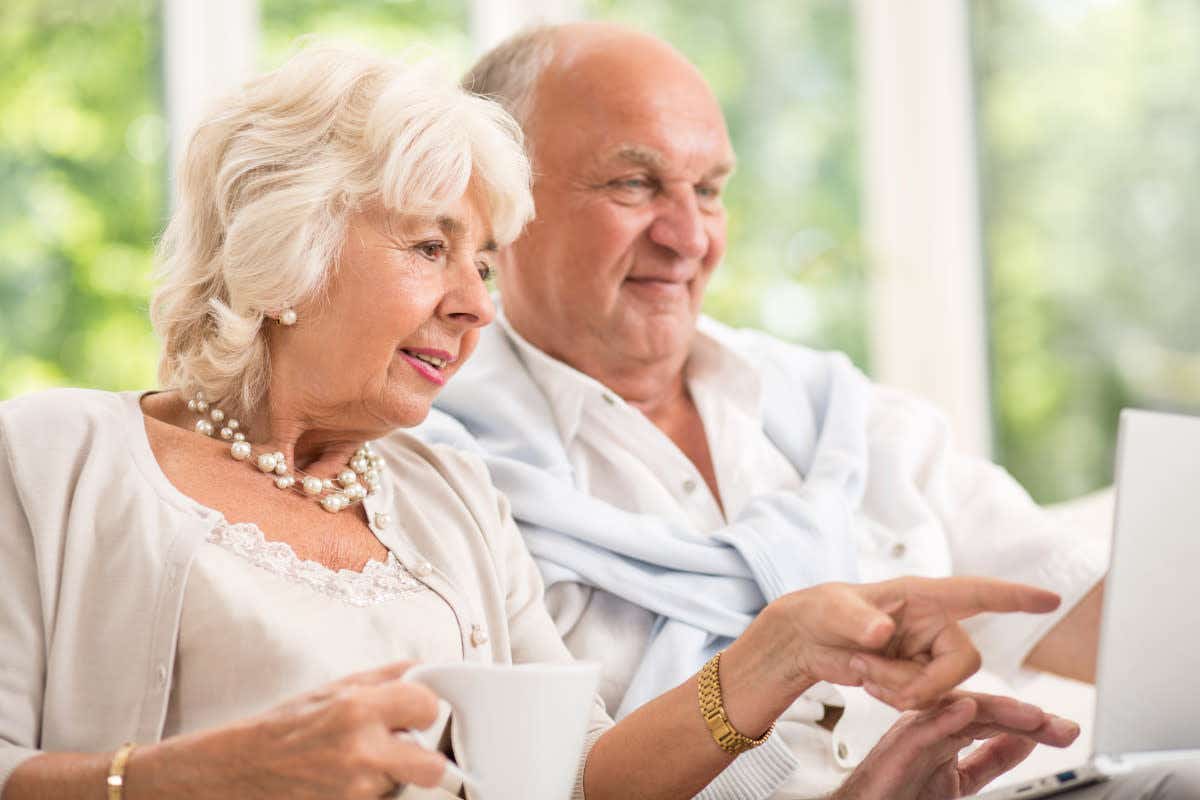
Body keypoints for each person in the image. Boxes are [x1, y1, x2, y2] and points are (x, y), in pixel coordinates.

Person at [0, 44, 1078, 800]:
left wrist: (786, 649)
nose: (474, 302)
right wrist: (199, 780)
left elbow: (578, 780)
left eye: (481, 261)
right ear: (285, 253)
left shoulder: (443, 492)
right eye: (429, 249)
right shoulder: (54, 458)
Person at [415, 21, 1200, 799]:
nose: (690, 237)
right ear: (497, 203)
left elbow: (1106, 621)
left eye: (711, 191)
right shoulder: (437, 470)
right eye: (634, 184)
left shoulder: (833, 411)